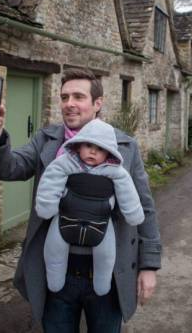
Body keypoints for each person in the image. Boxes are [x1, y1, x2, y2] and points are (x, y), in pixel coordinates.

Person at [0, 68, 161, 333]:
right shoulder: (46, 140)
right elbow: (8, 168)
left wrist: (149, 265)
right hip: (56, 273)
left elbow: (144, 207)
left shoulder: (125, 147)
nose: (69, 104)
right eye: (64, 97)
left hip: (109, 273)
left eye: (78, 96)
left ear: (98, 104)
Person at [35, 118, 144, 296]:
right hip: (64, 219)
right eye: (88, 145)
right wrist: (47, 205)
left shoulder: (115, 172)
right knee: (54, 250)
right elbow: (51, 181)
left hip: (101, 223)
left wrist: (133, 214)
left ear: (109, 152)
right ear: (78, 145)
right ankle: (54, 281)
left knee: (106, 256)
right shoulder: (66, 163)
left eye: (100, 148)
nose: (93, 151)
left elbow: (128, 193)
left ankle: (102, 284)